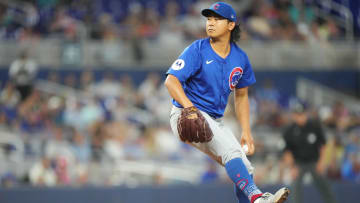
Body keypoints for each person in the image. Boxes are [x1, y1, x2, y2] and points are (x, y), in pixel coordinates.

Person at [164, 2, 289, 203]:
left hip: (213, 120)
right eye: (209, 19)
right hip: (186, 114)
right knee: (231, 153)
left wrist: (246, 131)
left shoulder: (240, 58)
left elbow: (241, 96)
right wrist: (189, 107)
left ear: (231, 25)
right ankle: (257, 198)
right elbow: (171, 80)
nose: (210, 23)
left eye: (217, 19)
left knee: (246, 169)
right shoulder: (197, 49)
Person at [281, 101, 336, 203]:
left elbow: (323, 146)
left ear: (306, 114)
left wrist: (322, 162)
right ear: (293, 115)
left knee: (324, 186)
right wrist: (292, 167)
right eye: (297, 115)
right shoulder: (289, 130)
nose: (300, 117)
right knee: (295, 186)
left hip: (314, 161)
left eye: (301, 114)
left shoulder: (314, 126)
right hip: (298, 163)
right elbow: (287, 151)